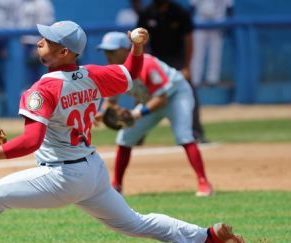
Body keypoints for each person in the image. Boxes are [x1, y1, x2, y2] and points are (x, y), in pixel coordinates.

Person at [0, 21, 250, 243]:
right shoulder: (92, 75)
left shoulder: (42, 89)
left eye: (48, 39)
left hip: (61, 176)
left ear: (64, 51)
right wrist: (136, 47)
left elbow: (31, 142)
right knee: (136, 223)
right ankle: (208, 236)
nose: (41, 40)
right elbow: (131, 72)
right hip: (92, 173)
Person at [96, 31, 213, 196]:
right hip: (150, 101)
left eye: (112, 51)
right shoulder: (115, 71)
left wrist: (135, 115)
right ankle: (117, 185)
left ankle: (204, 183)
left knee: (184, 135)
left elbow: (162, 99)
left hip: (176, 96)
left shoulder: (146, 63)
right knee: (125, 138)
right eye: (105, 51)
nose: (108, 55)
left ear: (125, 50)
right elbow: (111, 101)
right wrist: (101, 112)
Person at [137, 0, 208, 143]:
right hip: (155, 60)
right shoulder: (146, 13)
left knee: (189, 92)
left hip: (177, 60)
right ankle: (136, 135)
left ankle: (196, 133)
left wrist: (187, 66)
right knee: (141, 93)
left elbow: (188, 40)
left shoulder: (180, 12)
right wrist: (141, 66)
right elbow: (140, 42)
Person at [190, 0, 234, 87]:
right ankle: (195, 79)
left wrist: (229, 25)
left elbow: (230, 7)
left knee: (215, 52)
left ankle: (213, 79)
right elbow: (192, 6)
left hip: (218, 20)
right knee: (197, 52)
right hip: (201, 20)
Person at [17, 0, 55, 86]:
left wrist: (41, 45)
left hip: (37, 42)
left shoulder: (44, 3)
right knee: (29, 72)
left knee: (36, 73)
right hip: (26, 42)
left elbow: (46, 26)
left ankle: (39, 95)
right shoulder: (24, 3)